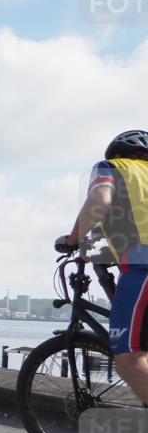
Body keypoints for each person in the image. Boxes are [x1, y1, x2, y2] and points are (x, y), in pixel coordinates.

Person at [61, 130, 148, 402]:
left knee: (129, 359)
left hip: (142, 269)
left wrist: (73, 241)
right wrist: (89, 248)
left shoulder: (110, 168)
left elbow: (100, 201)